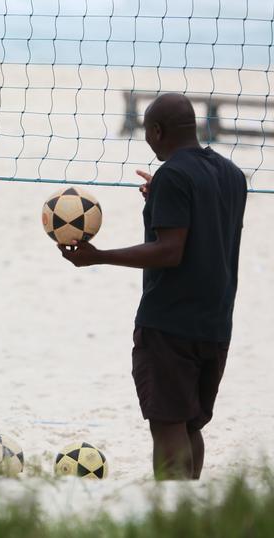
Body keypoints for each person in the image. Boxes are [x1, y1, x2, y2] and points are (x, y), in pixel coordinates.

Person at [59, 93, 247, 480]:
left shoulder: (174, 176)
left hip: (171, 322)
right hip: (215, 323)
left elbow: (169, 251)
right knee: (190, 424)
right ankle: (189, 515)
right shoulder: (231, 174)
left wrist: (98, 256)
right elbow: (205, 226)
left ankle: (172, 519)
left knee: (167, 424)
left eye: (147, 131)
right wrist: (158, 198)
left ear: (157, 131)